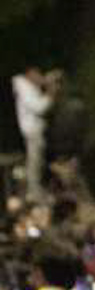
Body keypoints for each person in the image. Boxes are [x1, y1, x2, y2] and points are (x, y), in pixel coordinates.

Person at [10, 68, 55, 200]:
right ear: (30, 73)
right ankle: (34, 194)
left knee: (37, 163)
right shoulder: (24, 87)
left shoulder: (28, 87)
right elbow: (39, 107)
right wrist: (50, 93)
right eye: (38, 74)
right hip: (32, 130)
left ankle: (36, 191)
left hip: (35, 130)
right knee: (35, 164)